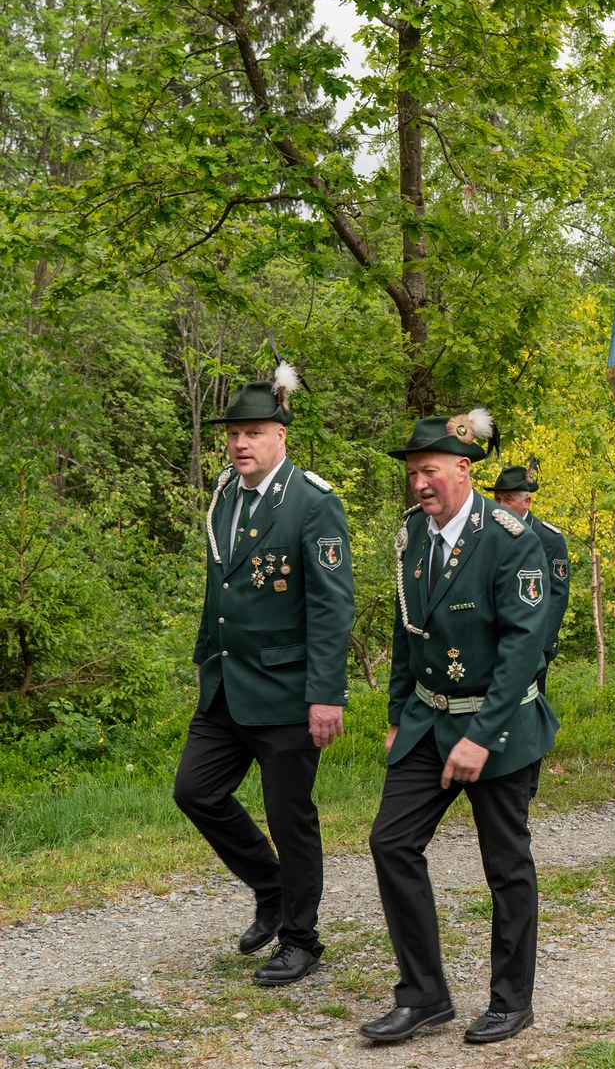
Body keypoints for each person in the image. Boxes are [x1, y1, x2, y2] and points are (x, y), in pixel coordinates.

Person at [362, 410, 557, 1046]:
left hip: (497, 726)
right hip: (427, 720)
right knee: (392, 843)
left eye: (430, 471)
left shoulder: (508, 537)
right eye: (414, 473)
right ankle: (423, 995)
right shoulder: (411, 539)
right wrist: (396, 714)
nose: (420, 484)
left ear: (462, 470)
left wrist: (481, 735)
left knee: (505, 863)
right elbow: (405, 633)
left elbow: (524, 646)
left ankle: (511, 1000)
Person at [175, 364, 354, 987]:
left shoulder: (312, 502)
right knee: (195, 791)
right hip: (226, 685)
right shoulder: (225, 494)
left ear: (282, 434)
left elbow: (333, 605)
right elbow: (216, 591)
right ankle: (270, 886)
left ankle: (301, 939)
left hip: (286, 691)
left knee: (289, 814)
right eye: (232, 434)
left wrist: (327, 695)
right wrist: (205, 663)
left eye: (252, 432)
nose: (239, 444)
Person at [489, 466, 569, 697]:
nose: (501, 505)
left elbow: (557, 595)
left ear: (527, 501)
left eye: (508, 499)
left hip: (532, 639)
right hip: (494, 638)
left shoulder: (548, 538)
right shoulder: (486, 535)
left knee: (530, 708)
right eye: (497, 499)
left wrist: (542, 646)